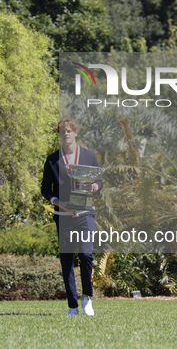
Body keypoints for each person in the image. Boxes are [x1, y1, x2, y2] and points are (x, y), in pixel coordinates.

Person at [41, 118, 102, 316]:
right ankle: (72, 306)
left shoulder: (88, 155)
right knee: (66, 260)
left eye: (69, 131)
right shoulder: (52, 160)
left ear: (75, 133)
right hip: (63, 215)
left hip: (85, 213)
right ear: (59, 135)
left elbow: (99, 180)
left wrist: (94, 186)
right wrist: (56, 201)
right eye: (62, 132)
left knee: (85, 255)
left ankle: (87, 298)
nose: (66, 134)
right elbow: (45, 189)